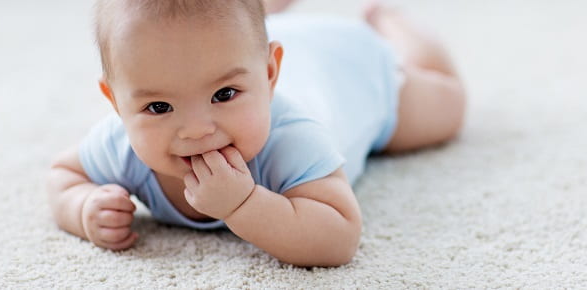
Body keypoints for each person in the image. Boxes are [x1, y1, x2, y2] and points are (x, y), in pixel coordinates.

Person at [46, 0, 465, 267]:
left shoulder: (292, 138)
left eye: (224, 94)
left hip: (350, 72)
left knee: (448, 105)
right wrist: (83, 208)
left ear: (269, 74)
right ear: (116, 101)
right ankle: (269, 13)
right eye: (159, 107)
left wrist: (244, 204)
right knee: (230, 31)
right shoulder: (120, 143)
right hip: (246, 44)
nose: (196, 130)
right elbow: (63, 175)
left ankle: (391, 21)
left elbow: (339, 238)